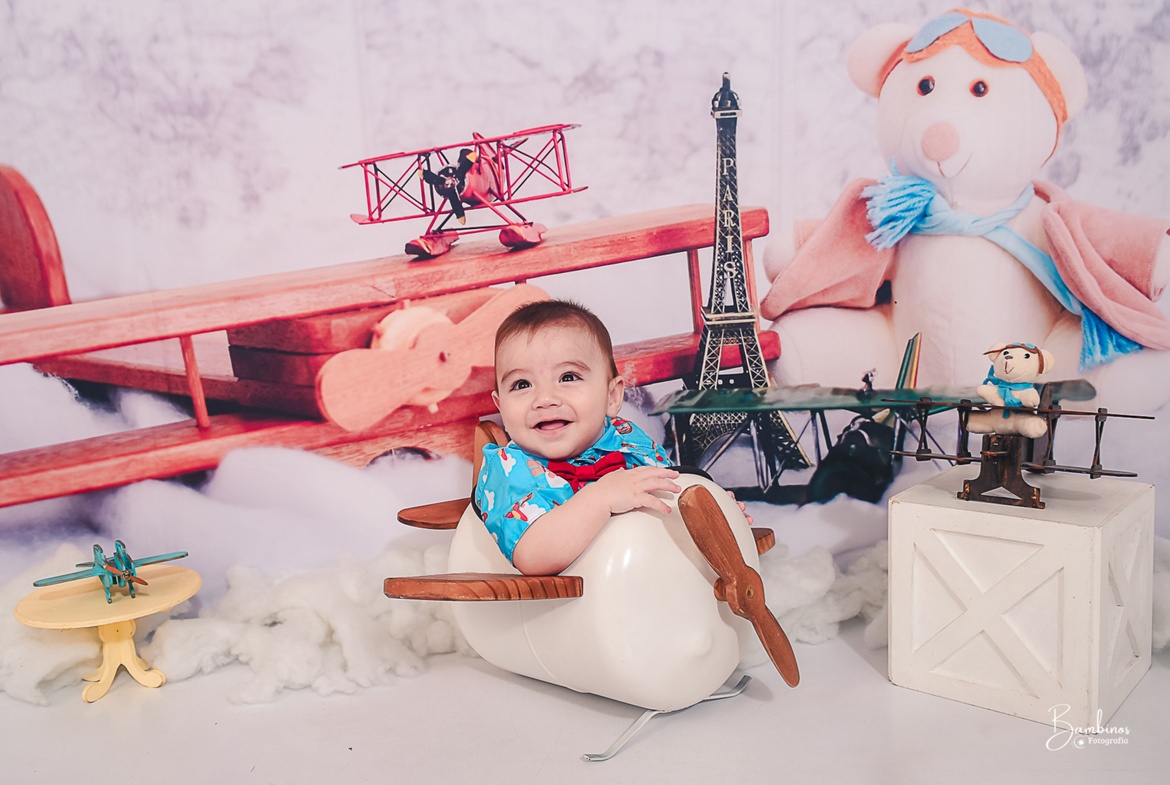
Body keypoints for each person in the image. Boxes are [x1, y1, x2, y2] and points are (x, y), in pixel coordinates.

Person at [474, 299, 684, 575]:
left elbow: (668, 490)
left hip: (646, 578)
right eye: (522, 384)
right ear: (501, 406)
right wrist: (600, 497)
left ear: (611, 397)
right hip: (569, 598)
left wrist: (703, 510)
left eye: (568, 377)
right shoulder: (507, 469)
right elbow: (533, 556)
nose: (545, 399)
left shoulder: (627, 438)